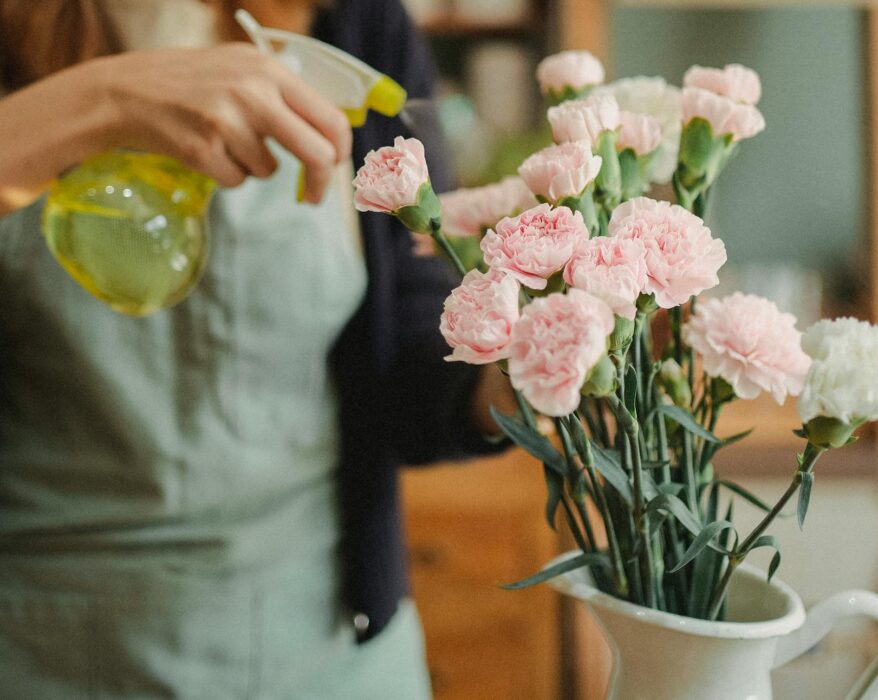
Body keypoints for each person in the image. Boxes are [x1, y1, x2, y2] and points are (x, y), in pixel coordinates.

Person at [0, 1, 513, 697]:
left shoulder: (357, 25)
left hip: (324, 645)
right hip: (43, 646)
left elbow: (410, 350)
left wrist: (509, 383)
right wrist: (101, 99)